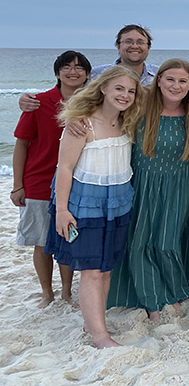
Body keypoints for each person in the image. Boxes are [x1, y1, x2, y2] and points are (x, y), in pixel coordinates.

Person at [44, 66, 144, 348]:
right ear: (103, 88)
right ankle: (100, 336)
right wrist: (62, 210)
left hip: (118, 202)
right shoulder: (82, 124)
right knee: (90, 271)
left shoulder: (128, 121)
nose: (125, 95)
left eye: (131, 91)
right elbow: (64, 168)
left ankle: (95, 324)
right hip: (86, 203)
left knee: (106, 268)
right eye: (119, 89)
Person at [107, 60, 189, 322]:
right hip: (141, 185)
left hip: (178, 185)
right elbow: (102, 109)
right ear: (158, 80)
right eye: (170, 79)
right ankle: (151, 300)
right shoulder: (139, 109)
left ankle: (172, 292)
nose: (176, 85)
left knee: (168, 242)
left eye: (183, 81)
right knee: (140, 243)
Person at [12, 51, 90, 308]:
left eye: (79, 68)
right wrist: (17, 185)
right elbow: (21, 144)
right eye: (66, 67)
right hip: (40, 181)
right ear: (57, 73)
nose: (73, 72)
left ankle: (67, 292)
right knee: (42, 241)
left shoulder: (92, 104)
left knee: (67, 238)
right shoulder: (39, 102)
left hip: (77, 182)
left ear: (88, 74)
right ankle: (47, 292)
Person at [18, 26, 154, 111]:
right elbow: (67, 92)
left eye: (140, 42)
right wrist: (31, 100)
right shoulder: (96, 75)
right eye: (128, 41)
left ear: (148, 47)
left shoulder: (160, 76)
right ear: (118, 46)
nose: (134, 46)